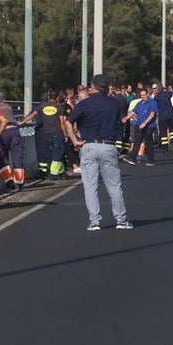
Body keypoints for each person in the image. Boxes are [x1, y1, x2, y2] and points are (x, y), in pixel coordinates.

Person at [66, 74, 132, 231]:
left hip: (89, 146)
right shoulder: (114, 104)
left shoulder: (84, 104)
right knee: (114, 186)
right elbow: (119, 121)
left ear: (92, 87)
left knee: (90, 187)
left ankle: (95, 221)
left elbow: (69, 121)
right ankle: (121, 220)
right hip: (109, 146)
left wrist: (74, 140)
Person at [23, 90, 69, 179]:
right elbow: (62, 122)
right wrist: (65, 134)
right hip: (57, 133)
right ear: (56, 97)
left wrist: (22, 122)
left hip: (46, 133)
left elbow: (32, 115)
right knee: (57, 153)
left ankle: (62, 172)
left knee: (50, 153)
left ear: (49, 97)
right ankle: (53, 173)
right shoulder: (59, 107)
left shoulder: (42, 106)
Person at [0, 92, 25, 189]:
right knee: (17, 157)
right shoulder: (8, 107)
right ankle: (19, 182)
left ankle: (9, 181)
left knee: (2, 157)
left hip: (2, 132)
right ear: (3, 100)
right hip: (14, 131)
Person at [123, 87, 158, 166]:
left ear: (147, 94)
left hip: (149, 126)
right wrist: (126, 118)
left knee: (148, 142)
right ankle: (132, 158)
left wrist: (145, 123)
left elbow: (152, 114)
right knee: (137, 141)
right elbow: (133, 112)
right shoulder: (139, 103)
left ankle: (150, 161)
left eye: (144, 95)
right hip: (139, 124)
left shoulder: (152, 103)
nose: (143, 97)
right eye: (141, 95)